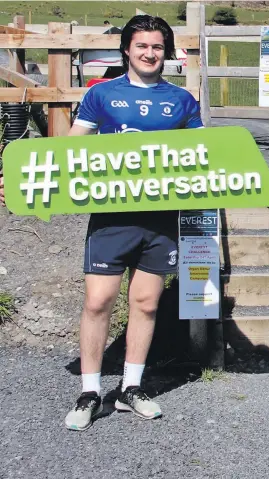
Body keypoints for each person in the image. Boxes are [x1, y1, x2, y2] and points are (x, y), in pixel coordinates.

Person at [0, 15, 203, 431]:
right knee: (98, 302)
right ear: (127, 49)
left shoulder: (182, 100)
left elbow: (205, 155)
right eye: (142, 46)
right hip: (112, 218)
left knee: (146, 303)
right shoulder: (101, 95)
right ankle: (90, 392)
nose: (150, 53)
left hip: (162, 219)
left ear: (166, 53)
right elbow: (71, 151)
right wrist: (23, 182)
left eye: (158, 47)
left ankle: (131, 388)